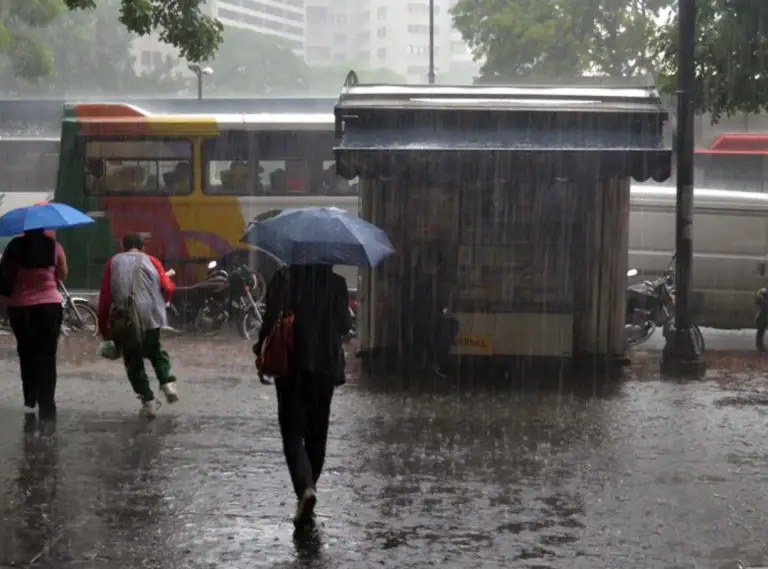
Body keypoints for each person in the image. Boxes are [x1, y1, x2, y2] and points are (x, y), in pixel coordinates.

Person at [255, 264, 351, 528]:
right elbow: (344, 326)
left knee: (292, 431)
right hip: (325, 366)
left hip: (291, 361)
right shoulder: (337, 283)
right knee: (317, 432)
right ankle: (309, 490)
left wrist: (260, 346)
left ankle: (305, 489)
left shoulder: (284, 278)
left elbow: (270, 316)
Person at [98, 233, 179, 419]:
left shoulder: (112, 263)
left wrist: (104, 328)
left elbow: (105, 297)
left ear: (122, 245)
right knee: (155, 350)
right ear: (142, 247)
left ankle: (148, 401)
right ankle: (167, 384)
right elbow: (168, 288)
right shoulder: (152, 261)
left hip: (126, 319)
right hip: (151, 316)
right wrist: (161, 302)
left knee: (133, 359)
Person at [0, 229, 67, 419]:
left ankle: (30, 397)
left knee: (27, 351)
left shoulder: (14, 246)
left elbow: (5, 274)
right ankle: (47, 401)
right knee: (47, 354)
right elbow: (62, 274)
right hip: (49, 306)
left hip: (21, 307)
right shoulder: (55, 247)